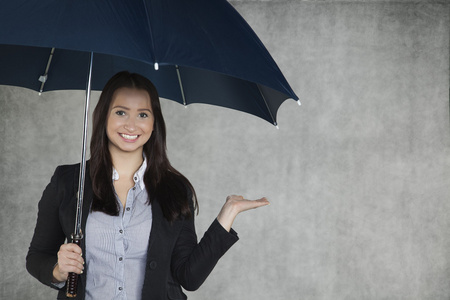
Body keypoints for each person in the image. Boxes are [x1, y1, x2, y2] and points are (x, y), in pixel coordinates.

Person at [26, 71, 269, 300]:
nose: (132, 125)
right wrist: (58, 271)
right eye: (121, 112)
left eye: (143, 114)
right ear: (103, 116)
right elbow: (37, 257)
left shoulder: (175, 188)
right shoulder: (68, 181)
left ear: (154, 124)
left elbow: (189, 276)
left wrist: (227, 215)